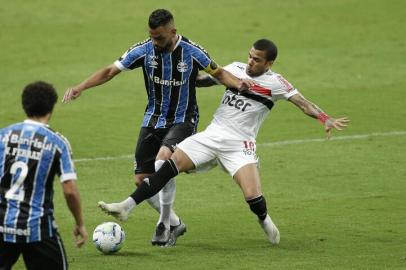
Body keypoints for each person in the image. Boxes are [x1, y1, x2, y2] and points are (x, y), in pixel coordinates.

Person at [98, 39, 350, 245]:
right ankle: (127, 206)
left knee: (253, 197)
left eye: (257, 59)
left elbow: (302, 103)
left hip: (240, 145)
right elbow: (206, 79)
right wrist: (183, 70)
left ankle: (264, 219)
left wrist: (324, 118)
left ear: (269, 63)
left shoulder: (276, 83)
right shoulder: (236, 68)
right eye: (250, 56)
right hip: (211, 136)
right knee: (166, 165)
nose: (251, 61)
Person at [62, 9, 251, 246]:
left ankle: (162, 224)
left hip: (183, 119)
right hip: (153, 119)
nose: (155, 42)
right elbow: (111, 70)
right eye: (152, 36)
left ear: (173, 32)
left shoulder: (192, 51)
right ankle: (175, 222)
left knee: (163, 161)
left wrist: (238, 84)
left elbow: (219, 72)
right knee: (142, 179)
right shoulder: (144, 50)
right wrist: (81, 86)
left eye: (159, 38)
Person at [0, 81, 88, 270]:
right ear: (51, 107)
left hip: (2, 225)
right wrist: (80, 223)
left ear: (24, 105)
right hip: (38, 229)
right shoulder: (58, 143)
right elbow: (70, 191)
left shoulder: (3, 136)